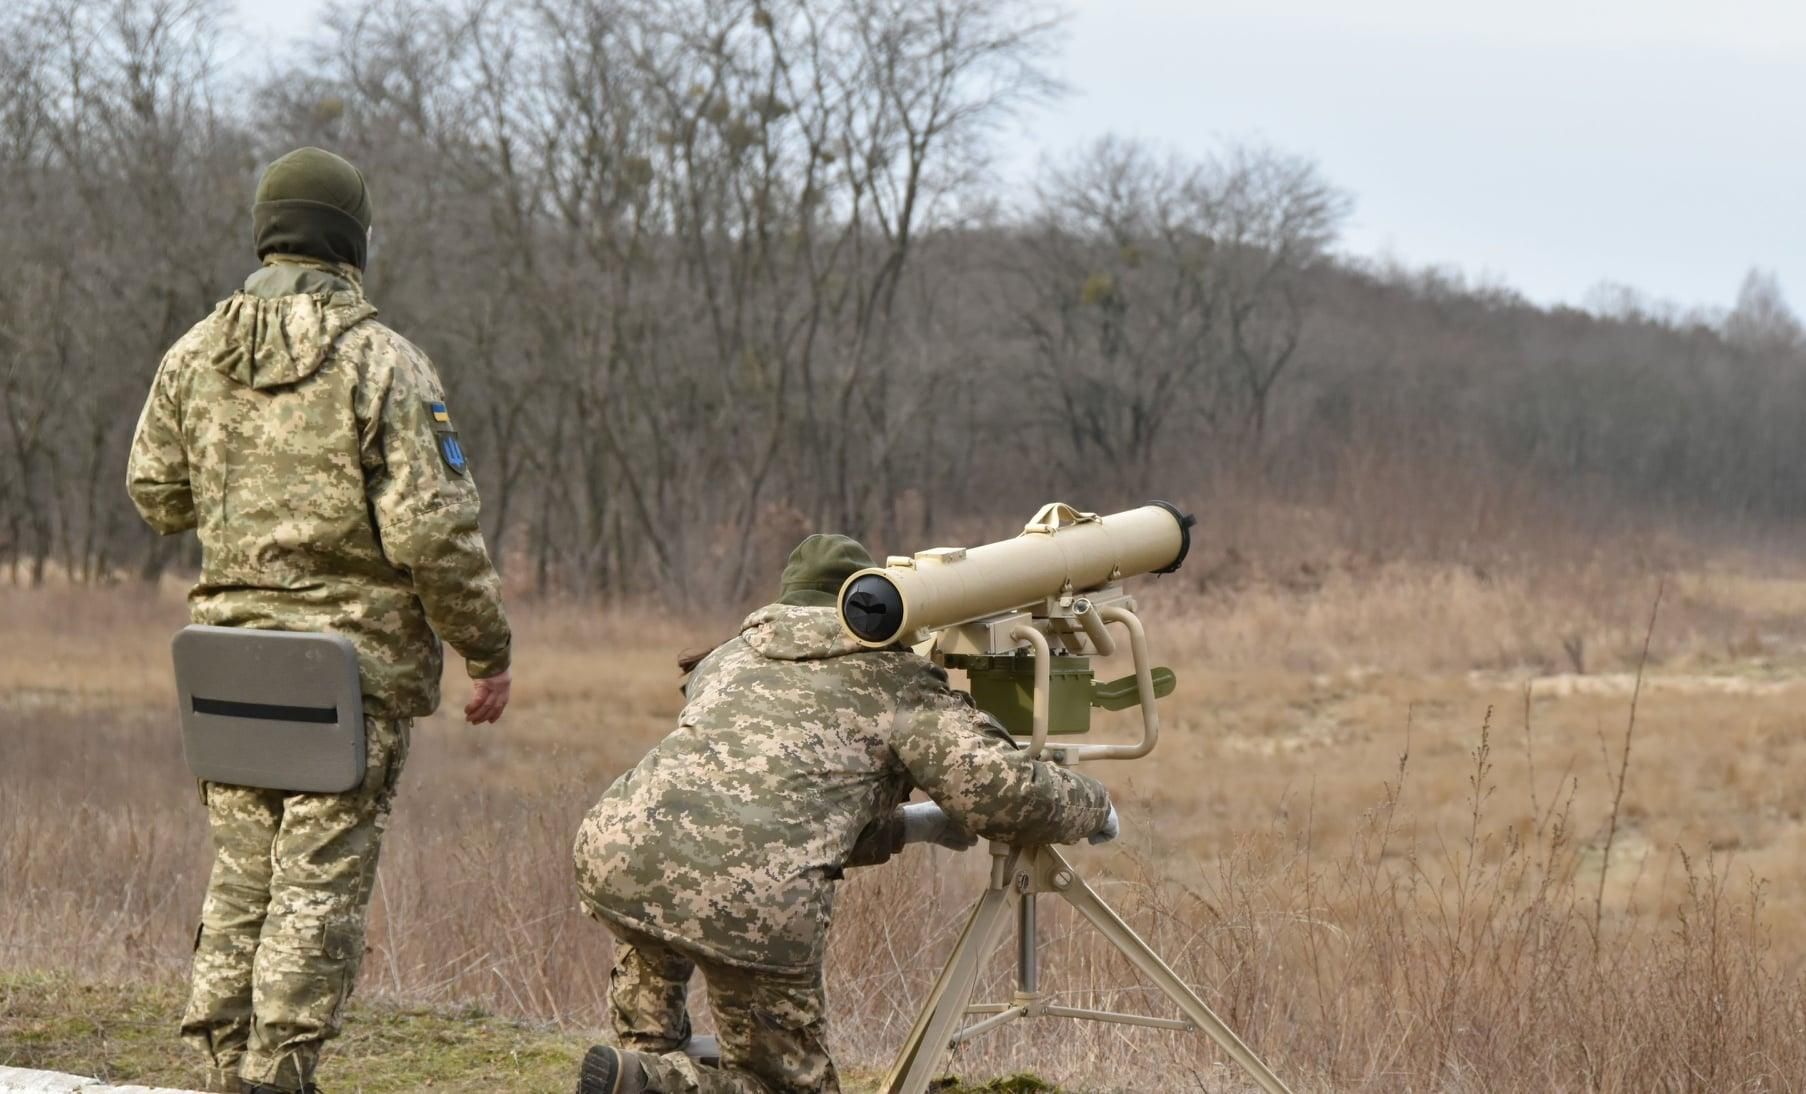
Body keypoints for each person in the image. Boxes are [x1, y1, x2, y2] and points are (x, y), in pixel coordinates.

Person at [126, 146, 514, 1094]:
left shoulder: (192, 354)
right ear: (352, 241)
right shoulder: (383, 362)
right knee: (316, 888)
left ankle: (225, 1068)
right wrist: (487, 649)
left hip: (224, 671)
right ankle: (277, 1076)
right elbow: (433, 531)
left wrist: (239, 507)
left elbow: (154, 493)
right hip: (344, 674)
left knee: (243, 877)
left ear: (267, 230)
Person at [571, 534, 1118, 1094]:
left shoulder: (728, 658)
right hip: (752, 896)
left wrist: (919, 825)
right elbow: (1004, 795)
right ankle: (656, 1084)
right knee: (783, 1085)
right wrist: (1093, 806)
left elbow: (791, 807)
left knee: (648, 1024)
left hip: (622, 854)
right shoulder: (894, 679)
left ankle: (637, 1069)